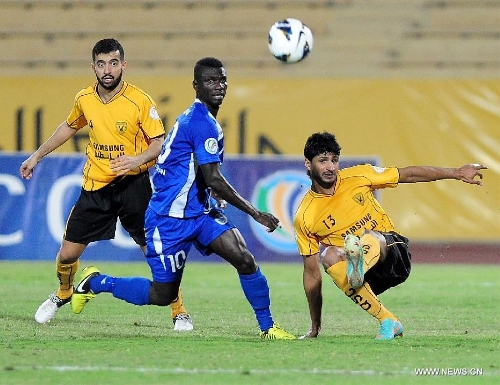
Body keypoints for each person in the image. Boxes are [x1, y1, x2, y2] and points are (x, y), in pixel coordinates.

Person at [70, 57, 296, 340]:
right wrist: (255, 213)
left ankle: (268, 328)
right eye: (210, 80)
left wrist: (212, 192)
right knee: (162, 294)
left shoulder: (205, 121)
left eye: (222, 80)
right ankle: (98, 282)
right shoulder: (199, 122)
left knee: (244, 259)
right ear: (196, 85)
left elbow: (201, 173)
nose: (219, 86)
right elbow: (213, 177)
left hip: (200, 214)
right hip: (168, 219)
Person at [20, 38, 193, 331]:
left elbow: (158, 144)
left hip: (133, 186)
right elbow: (69, 126)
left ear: (123, 65)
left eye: (113, 63)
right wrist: (37, 155)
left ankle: (180, 312)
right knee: (67, 255)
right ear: (94, 67)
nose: (108, 70)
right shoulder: (84, 98)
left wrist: (134, 160)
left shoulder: (139, 100)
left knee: (153, 252)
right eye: (101, 64)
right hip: (96, 186)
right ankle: (64, 293)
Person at [293, 132, 487, 340]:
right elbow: (312, 274)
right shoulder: (305, 216)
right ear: (308, 163)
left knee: (368, 237)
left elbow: (408, 175)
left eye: (334, 160)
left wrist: (456, 172)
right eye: (323, 161)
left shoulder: (358, 175)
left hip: (393, 254)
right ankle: (389, 321)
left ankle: (357, 265)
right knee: (329, 256)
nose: (331, 167)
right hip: (369, 281)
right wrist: (315, 327)